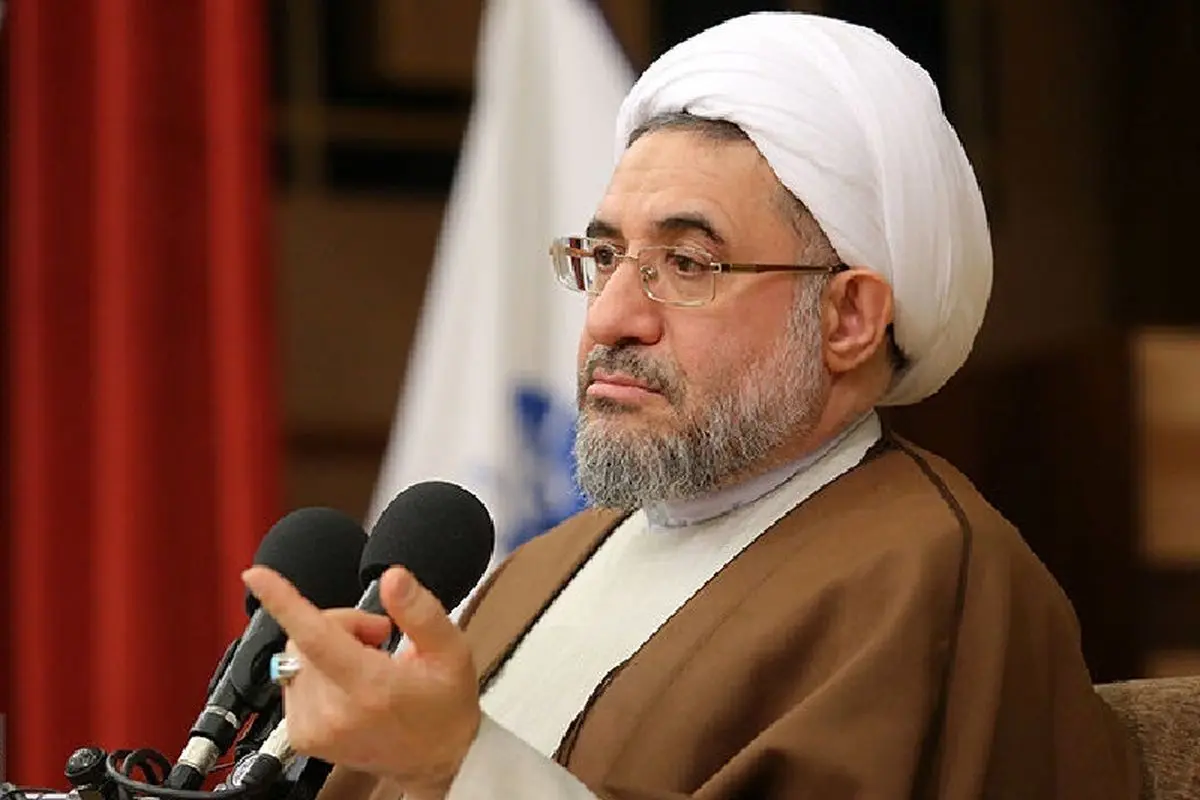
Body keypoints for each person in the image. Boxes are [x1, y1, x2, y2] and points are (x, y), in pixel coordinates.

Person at [243, 11, 1140, 800]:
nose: (612, 318)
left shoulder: (934, 577)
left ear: (849, 318)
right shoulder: (548, 564)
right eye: (605, 258)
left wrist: (460, 766)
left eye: (686, 264)